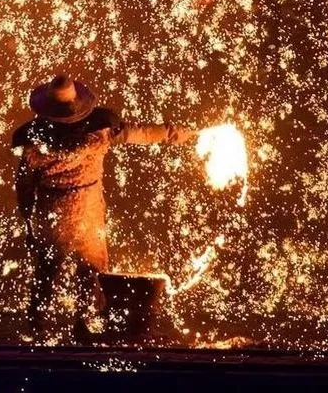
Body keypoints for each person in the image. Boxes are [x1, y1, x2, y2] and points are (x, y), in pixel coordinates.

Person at [12, 75, 196, 339]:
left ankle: (37, 330)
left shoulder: (32, 142)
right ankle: (85, 328)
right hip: (87, 210)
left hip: (52, 212)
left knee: (47, 272)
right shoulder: (99, 131)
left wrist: (28, 220)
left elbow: (24, 187)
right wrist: (171, 132)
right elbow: (139, 132)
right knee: (91, 273)